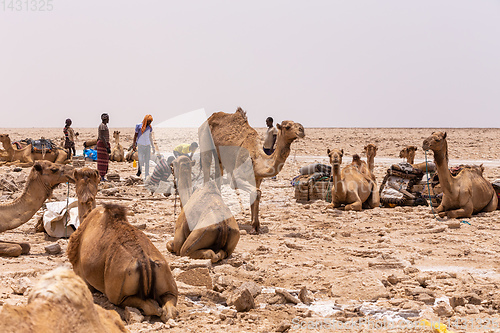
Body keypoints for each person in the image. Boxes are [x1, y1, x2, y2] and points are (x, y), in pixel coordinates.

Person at [97, 113, 111, 181]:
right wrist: (106, 147)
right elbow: (102, 136)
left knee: (105, 160)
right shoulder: (102, 126)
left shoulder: (104, 126)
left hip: (104, 144)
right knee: (102, 161)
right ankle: (101, 176)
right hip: (103, 144)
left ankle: (102, 176)